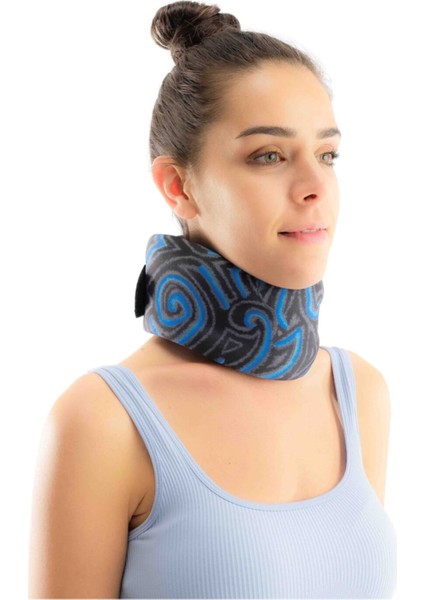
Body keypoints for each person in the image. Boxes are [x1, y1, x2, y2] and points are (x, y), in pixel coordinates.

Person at [28, 2, 397, 598]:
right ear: (179, 186)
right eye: (269, 156)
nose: (315, 187)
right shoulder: (103, 420)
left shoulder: (359, 394)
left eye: (327, 155)